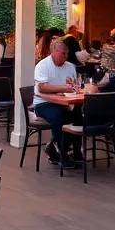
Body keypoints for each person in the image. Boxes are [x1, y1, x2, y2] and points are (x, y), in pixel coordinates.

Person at [33, 39, 81, 169]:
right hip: (43, 103)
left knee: (79, 117)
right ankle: (61, 154)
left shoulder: (70, 67)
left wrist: (74, 87)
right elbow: (42, 87)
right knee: (59, 116)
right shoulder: (43, 65)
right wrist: (63, 88)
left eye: (67, 54)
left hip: (64, 103)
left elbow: (74, 85)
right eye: (62, 54)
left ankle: (72, 151)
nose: (65, 57)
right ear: (53, 51)